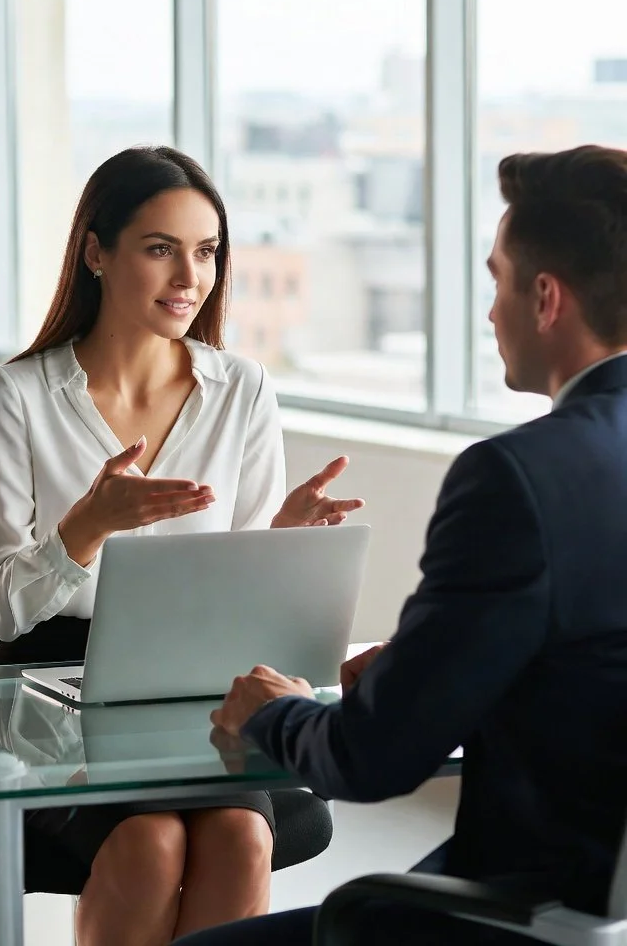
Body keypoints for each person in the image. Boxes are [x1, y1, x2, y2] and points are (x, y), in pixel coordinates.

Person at [176, 144, 627, 946]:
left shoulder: (518, 478)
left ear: (547, 298)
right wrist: (431, 658)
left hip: (531, 919)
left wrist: (273, 714)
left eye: (498, 280)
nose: (490, 312)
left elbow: (371, 758)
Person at [0, 144, 365, 946]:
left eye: (207, 252)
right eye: (160, 249)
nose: (191, 277)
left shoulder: (242, 390)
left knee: (241, 834)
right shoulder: (16, 396)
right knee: (150, 844)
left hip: (198, 690)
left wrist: (277, 545)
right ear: (95, 253)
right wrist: (88, 525)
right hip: (55, 689)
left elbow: (244, 585)